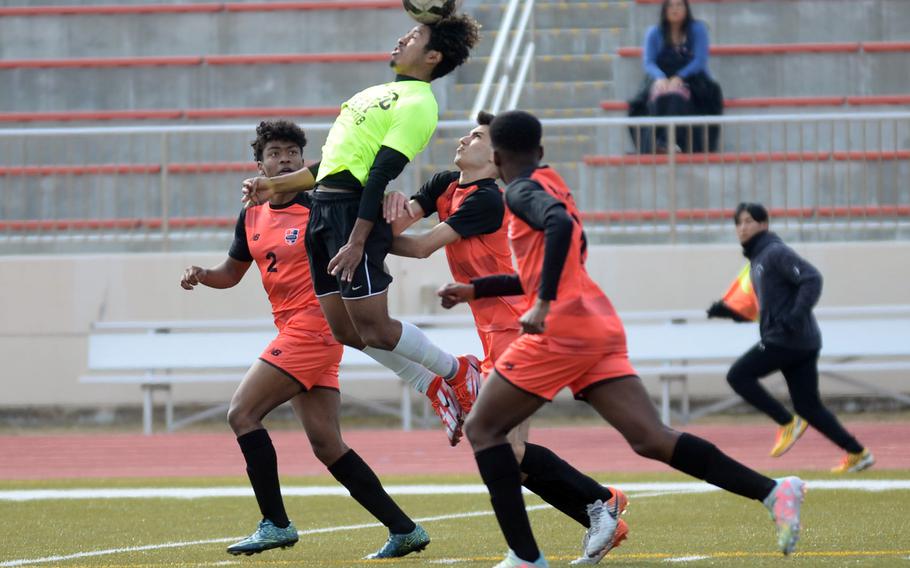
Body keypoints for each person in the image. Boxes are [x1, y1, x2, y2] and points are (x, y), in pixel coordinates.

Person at [459, 110, 806, 567]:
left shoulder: (522, 191)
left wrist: (542, 304)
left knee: (483, 429)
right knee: (650, 438)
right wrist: (478, 289)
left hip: (563, 328)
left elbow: (559, 227)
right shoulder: (551, 179)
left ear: (498, 157)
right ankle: (773, 491)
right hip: (596, 320)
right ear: (540, 152)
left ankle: (525, 557)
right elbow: (558, 258)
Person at [383, 111, 627, 562]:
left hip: (519, 327)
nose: (464, 138)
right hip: (493, 330)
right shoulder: (443, 183)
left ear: (494, 159)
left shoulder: (488, 200)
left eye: (476, 136)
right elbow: (399, 226)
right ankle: (597, 507)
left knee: (502, 447)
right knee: (504, 450)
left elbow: (417, 246)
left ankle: (582, 515)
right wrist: (385, 210)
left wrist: (359, 238)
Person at [180, 121, 429, 559]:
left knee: (242, 413)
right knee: (327, 444)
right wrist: (203, 275)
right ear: (259, 164)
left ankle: (275, 523)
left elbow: (366, 221)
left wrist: (394, 202)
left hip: (315, 325)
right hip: (295, 330)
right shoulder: (252, 215)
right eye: (275, 152)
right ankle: (404, 529)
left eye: (293, 152)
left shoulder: (321, 205)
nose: (286, 159)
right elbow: (231, 273)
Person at [241, 15, 484, 440]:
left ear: (432, 56)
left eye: (414, 36)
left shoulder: (419, 105)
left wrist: (357, 240)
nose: (401, 39)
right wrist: (272, 185)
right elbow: (329, 168)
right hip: (323, 211)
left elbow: (378, 176)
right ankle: (434, 386)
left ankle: (458, 370)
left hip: (351, 215)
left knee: (375, 327)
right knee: (347, 332)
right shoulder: (374, 94)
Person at [707, 202, 875, 473]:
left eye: (749, 221)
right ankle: (858, 453)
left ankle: (787, 422)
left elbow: (812, 279)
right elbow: (760, 311)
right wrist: (727, 313)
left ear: (763, 224)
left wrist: (795, 317)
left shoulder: (774, 252)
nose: (742, 227)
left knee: (738, 375)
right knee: (808, 406)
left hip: (788, 339)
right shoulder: (758, 261)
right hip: (802, 341)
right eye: (738, 223)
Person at [627, 0, 723, 153]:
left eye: (679, 5)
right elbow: (649, 62)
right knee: (660, 94)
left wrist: (680, 77)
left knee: (676, 95)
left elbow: (700, 60)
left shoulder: (698, 29)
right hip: (662, 77)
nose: (675, 9)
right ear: (664, 9)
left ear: (686, 8)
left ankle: (672, 142)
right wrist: (660, 77)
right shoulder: (654, 32)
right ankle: (657, 143)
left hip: (693, 79)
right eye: (671, 5)